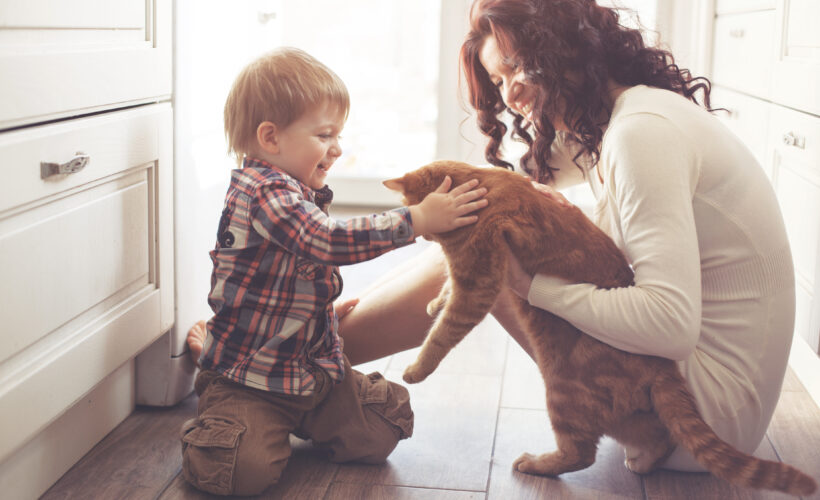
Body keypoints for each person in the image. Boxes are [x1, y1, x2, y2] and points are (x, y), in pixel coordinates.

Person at [188, 0, 796, 476]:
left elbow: (670, 323)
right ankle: (303, 353)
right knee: (477, 225)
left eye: (516, 71)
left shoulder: (642, 135)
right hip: (694, 399)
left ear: (566, 49)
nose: (511, 96)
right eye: (498, 81)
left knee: (481, 245)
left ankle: (279, 365)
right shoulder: (636, 117)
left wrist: (535, 288)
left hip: (699, 420)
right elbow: (536, 184)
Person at [180, 47, 488, 496]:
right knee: (239, 473)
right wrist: (417, 219)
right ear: (271, 138)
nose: (337, 149)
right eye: (325, 135)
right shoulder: (264, 191)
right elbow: (325, 240)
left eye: (338, 135)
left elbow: (294, 272)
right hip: (250, 379)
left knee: (386, 427)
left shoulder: (293, 187)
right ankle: (220, 403)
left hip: (310, 374)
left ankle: (278, 421)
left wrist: (317, 314)